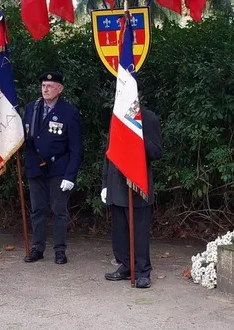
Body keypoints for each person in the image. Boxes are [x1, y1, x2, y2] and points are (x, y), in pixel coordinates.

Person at [102, 82, 163, 288]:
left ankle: (143, 271)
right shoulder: (116, 118)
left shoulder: (149, 118)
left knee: (139, 231)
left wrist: (137, 135)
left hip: (137, 184)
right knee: (119, 233)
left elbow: (156, 152)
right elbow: (109, 155)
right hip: (116, 184)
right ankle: (126, 266)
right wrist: (105, 184)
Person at [22, 72, 82, 264]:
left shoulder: (69, 112)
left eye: (50, 85)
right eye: (43, 85)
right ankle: (37, 248)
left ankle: (60, 250)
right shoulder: (32, 108)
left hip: (58, 168)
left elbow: (76, 148)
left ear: (60, 89)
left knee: (58, 211)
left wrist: (70, 176)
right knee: (37, 209)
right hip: (35, 167)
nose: (45, 89)